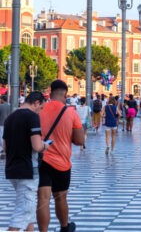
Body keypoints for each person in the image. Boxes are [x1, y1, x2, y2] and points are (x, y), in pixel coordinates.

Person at [37, 80, 84, 232]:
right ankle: (64, 227)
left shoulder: (38, 110)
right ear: (65, 95)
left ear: (50, 94)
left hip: (40, 160)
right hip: (61, 163)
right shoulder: (70, 112)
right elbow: (79, 141)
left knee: (43, 199)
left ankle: (43, 231)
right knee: (60, 197)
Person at [3, 92, 48, 231]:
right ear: (36, 103)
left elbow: (4, 146)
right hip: (27, 169)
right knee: (24, 211)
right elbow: (37, 146)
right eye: (41, 108)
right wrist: (45, 145)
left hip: (12, 168)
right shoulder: (32, 117)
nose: (40, 111)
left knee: (28, 210)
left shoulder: (10, 117)